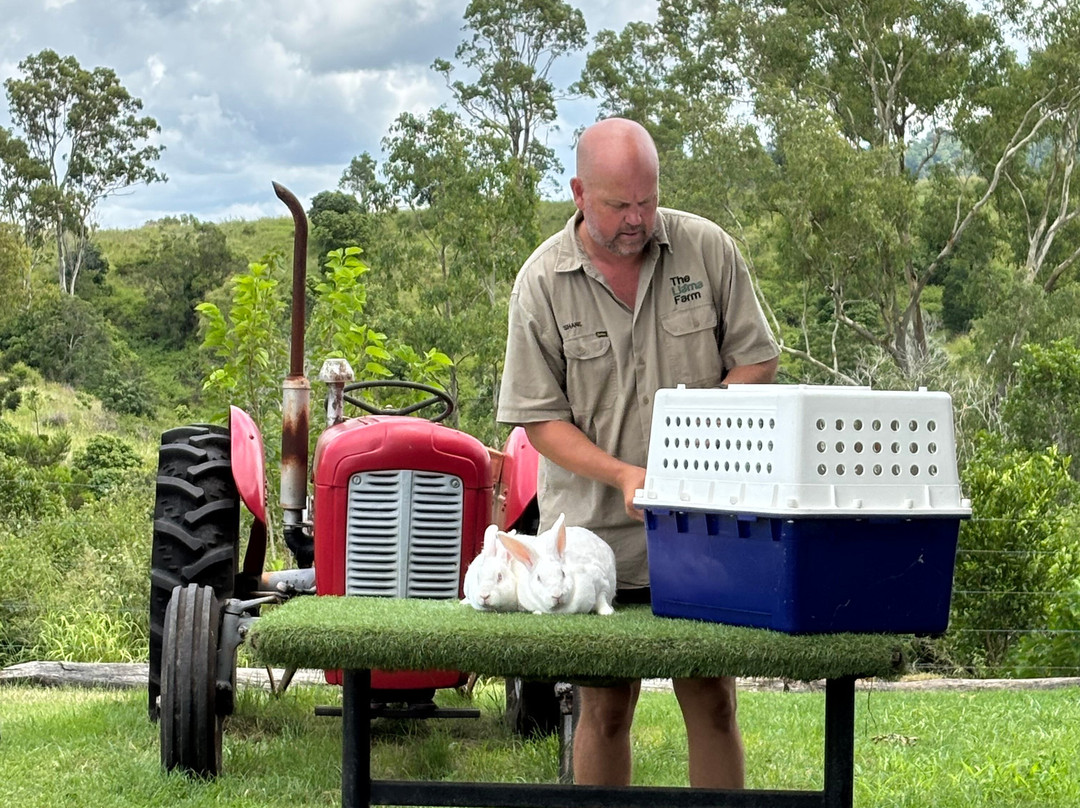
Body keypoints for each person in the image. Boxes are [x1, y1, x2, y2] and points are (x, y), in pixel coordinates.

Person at [496, 117, 779, 788]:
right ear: (578, 193)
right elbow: (539, 421)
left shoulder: (706, 248)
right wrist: (624, 474)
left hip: (702, 531)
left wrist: (696, 448)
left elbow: (757, 362)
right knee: (606, 708)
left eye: (647, 200)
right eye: (620, 204)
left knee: (712, 699)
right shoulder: (540, 283)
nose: (638, 218)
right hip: (593, 543)